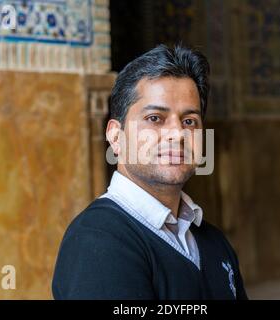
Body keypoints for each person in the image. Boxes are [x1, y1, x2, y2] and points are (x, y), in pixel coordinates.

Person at [52, 44, 248, 300]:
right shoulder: (97, 241)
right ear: (115, 136)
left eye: (189, 121)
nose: (177, 134)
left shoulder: (214, 242)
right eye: (155, 118)